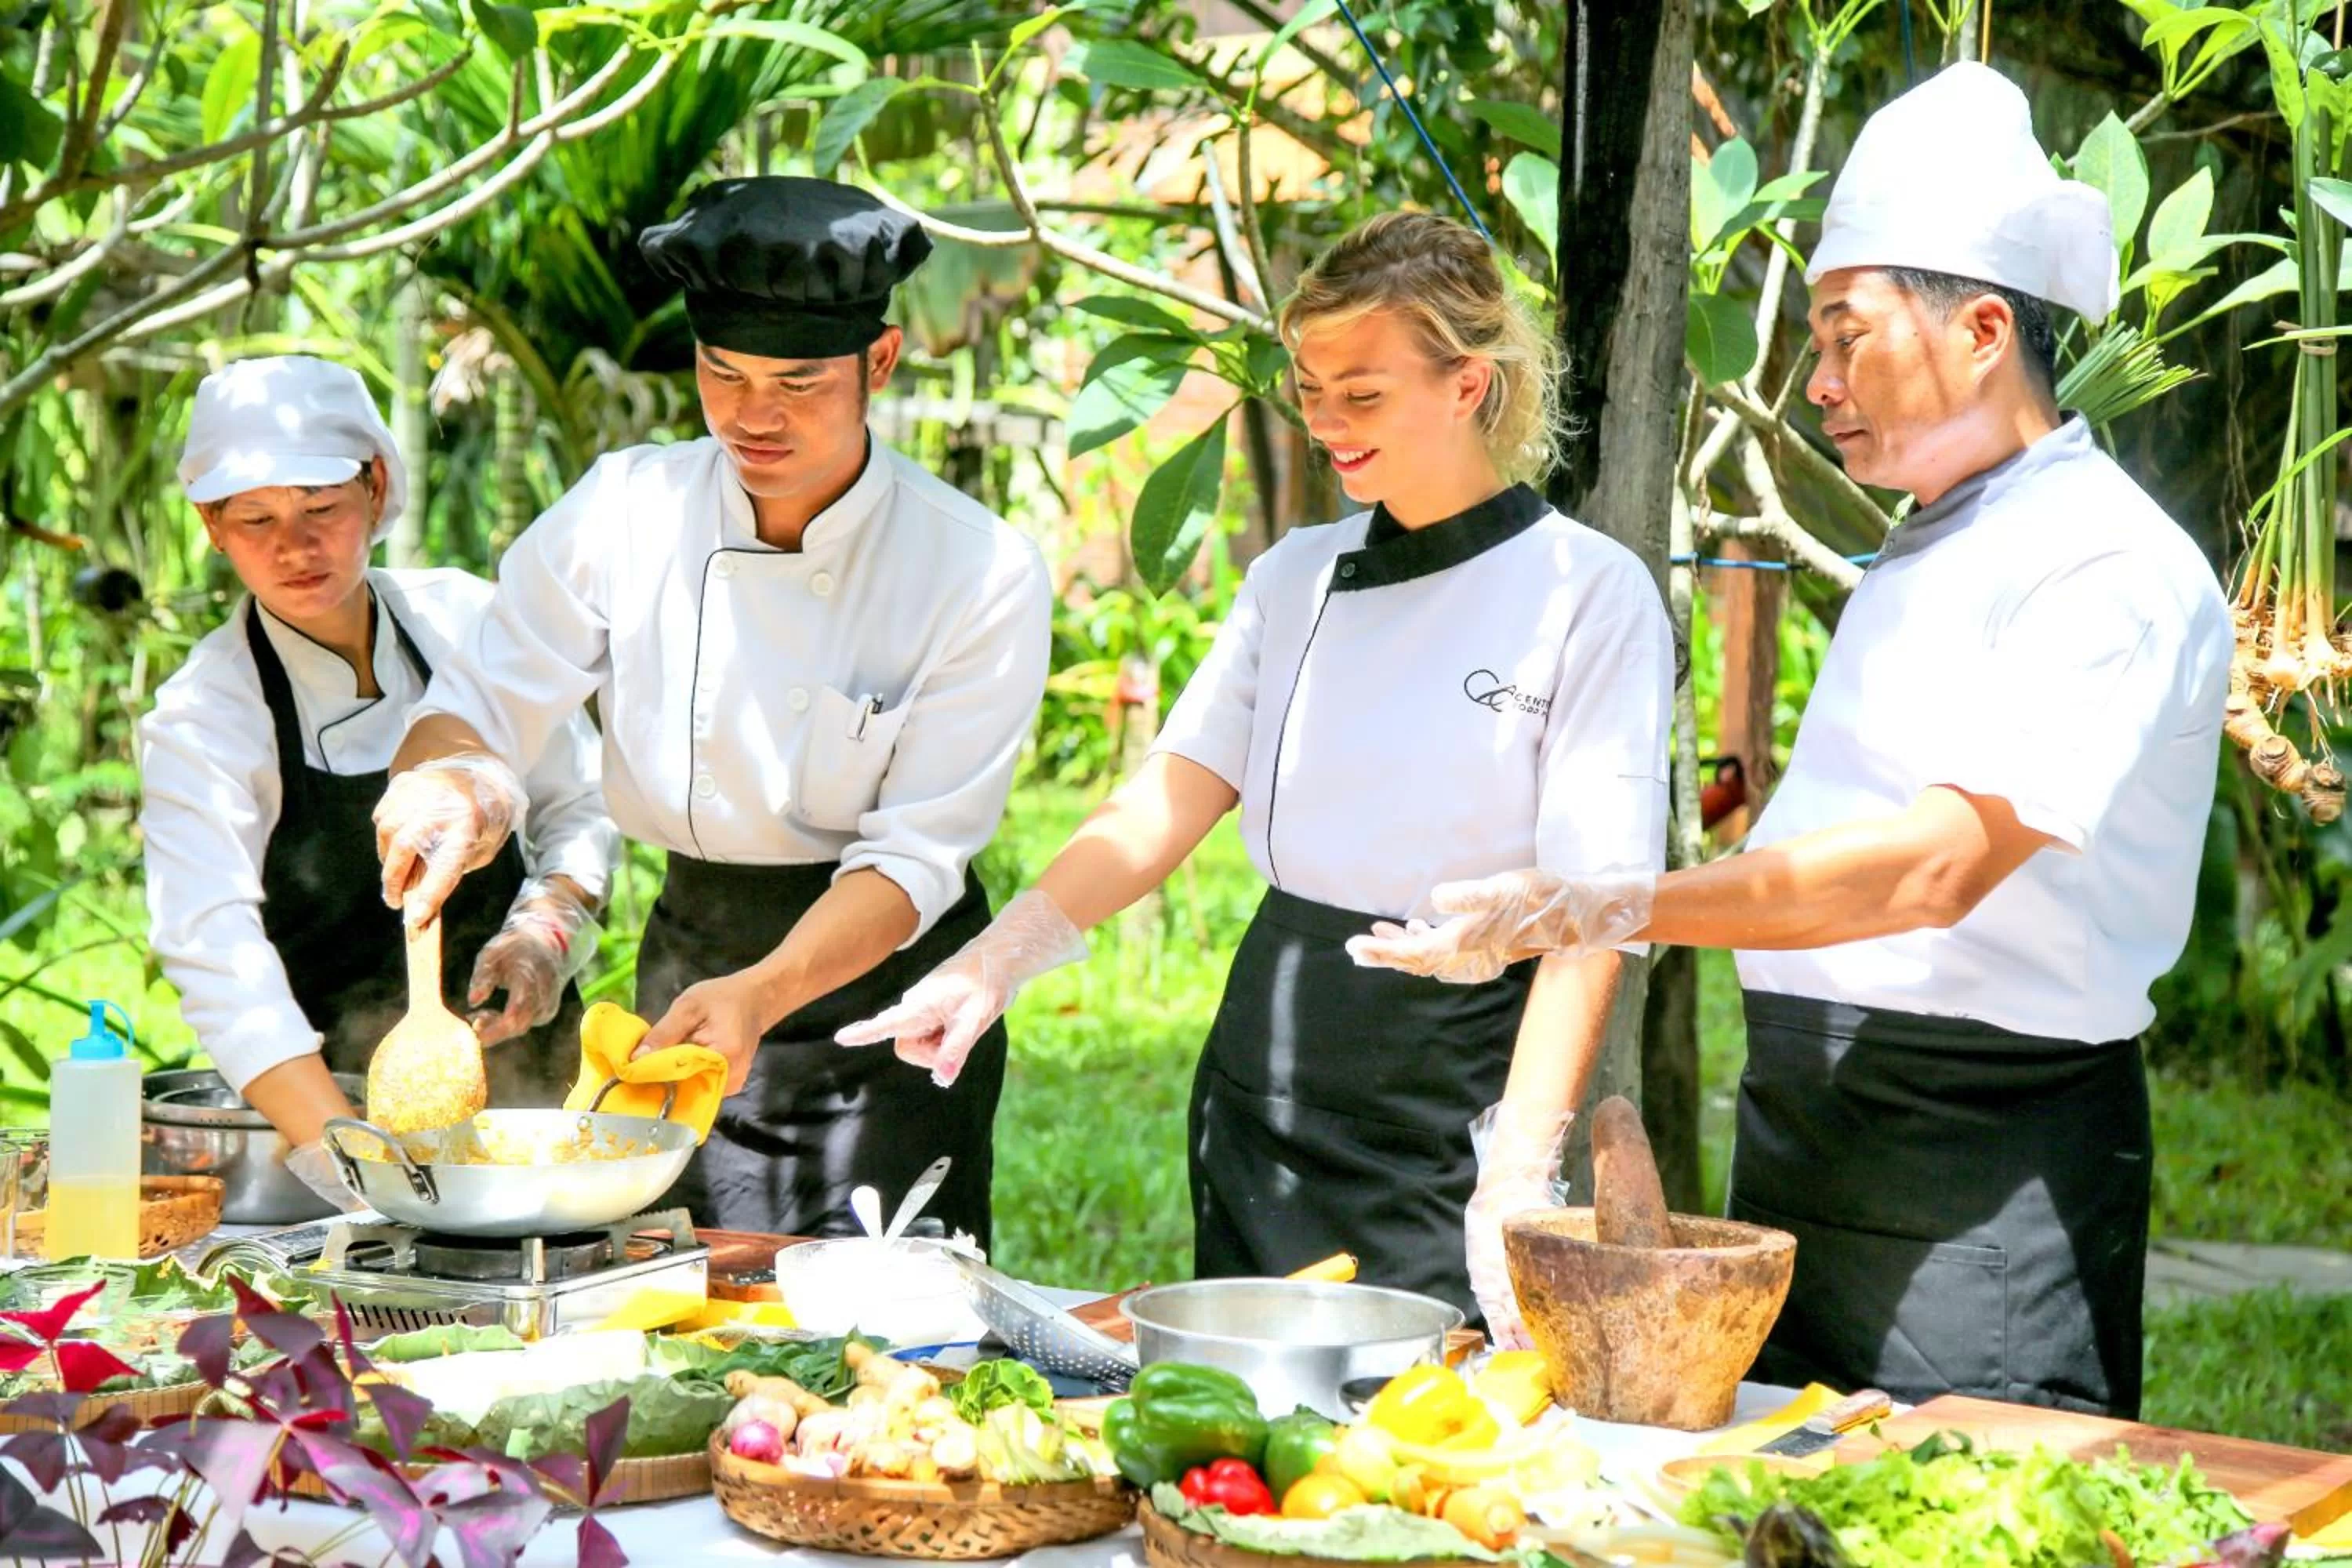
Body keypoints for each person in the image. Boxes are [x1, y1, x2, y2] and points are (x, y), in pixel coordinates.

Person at [1350, 64, 2231, 1417]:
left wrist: (1611, 903)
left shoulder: (2103, 562)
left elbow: (1932, 871)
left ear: (1984, 327)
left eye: (1844, 334)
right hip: (1813, 1135)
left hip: (1973, 1160)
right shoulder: (1934, 537)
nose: (1816, 380)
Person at [837, 212, 1672, 1341]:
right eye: (1311, 387)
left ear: (1469, 383)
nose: (1325, 421)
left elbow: (1596, 919)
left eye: (1362, 394)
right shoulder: (1295, 576)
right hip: (1267, 1063)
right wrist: (996, 960)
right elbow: (1168, 796)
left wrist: (1517, 1172)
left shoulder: (1590, 591)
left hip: (1455, 1072)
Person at [369, 177, 1052, 1242]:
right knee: (681, 1304)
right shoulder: (626, 509)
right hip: (687, 963)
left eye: (797, 381)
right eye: (721, 373)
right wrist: (448, 784)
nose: (752, 415)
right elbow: (481, 699)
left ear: (879, 364)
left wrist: (765, 992)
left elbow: (917, 857)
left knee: (879, 1338)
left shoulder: (976, 569)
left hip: (889, 999)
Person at [140, 356, 617, 1209]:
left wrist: (549, 927)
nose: (296, 545)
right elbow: (216, 957)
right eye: (255, 519)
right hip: (324, 1115)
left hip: (532, 1106)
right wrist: (358, 1171)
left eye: (321, 506)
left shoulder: (470, 623)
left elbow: (580, 804)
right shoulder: (204, 717)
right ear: (212, 527)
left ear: (378, 486)